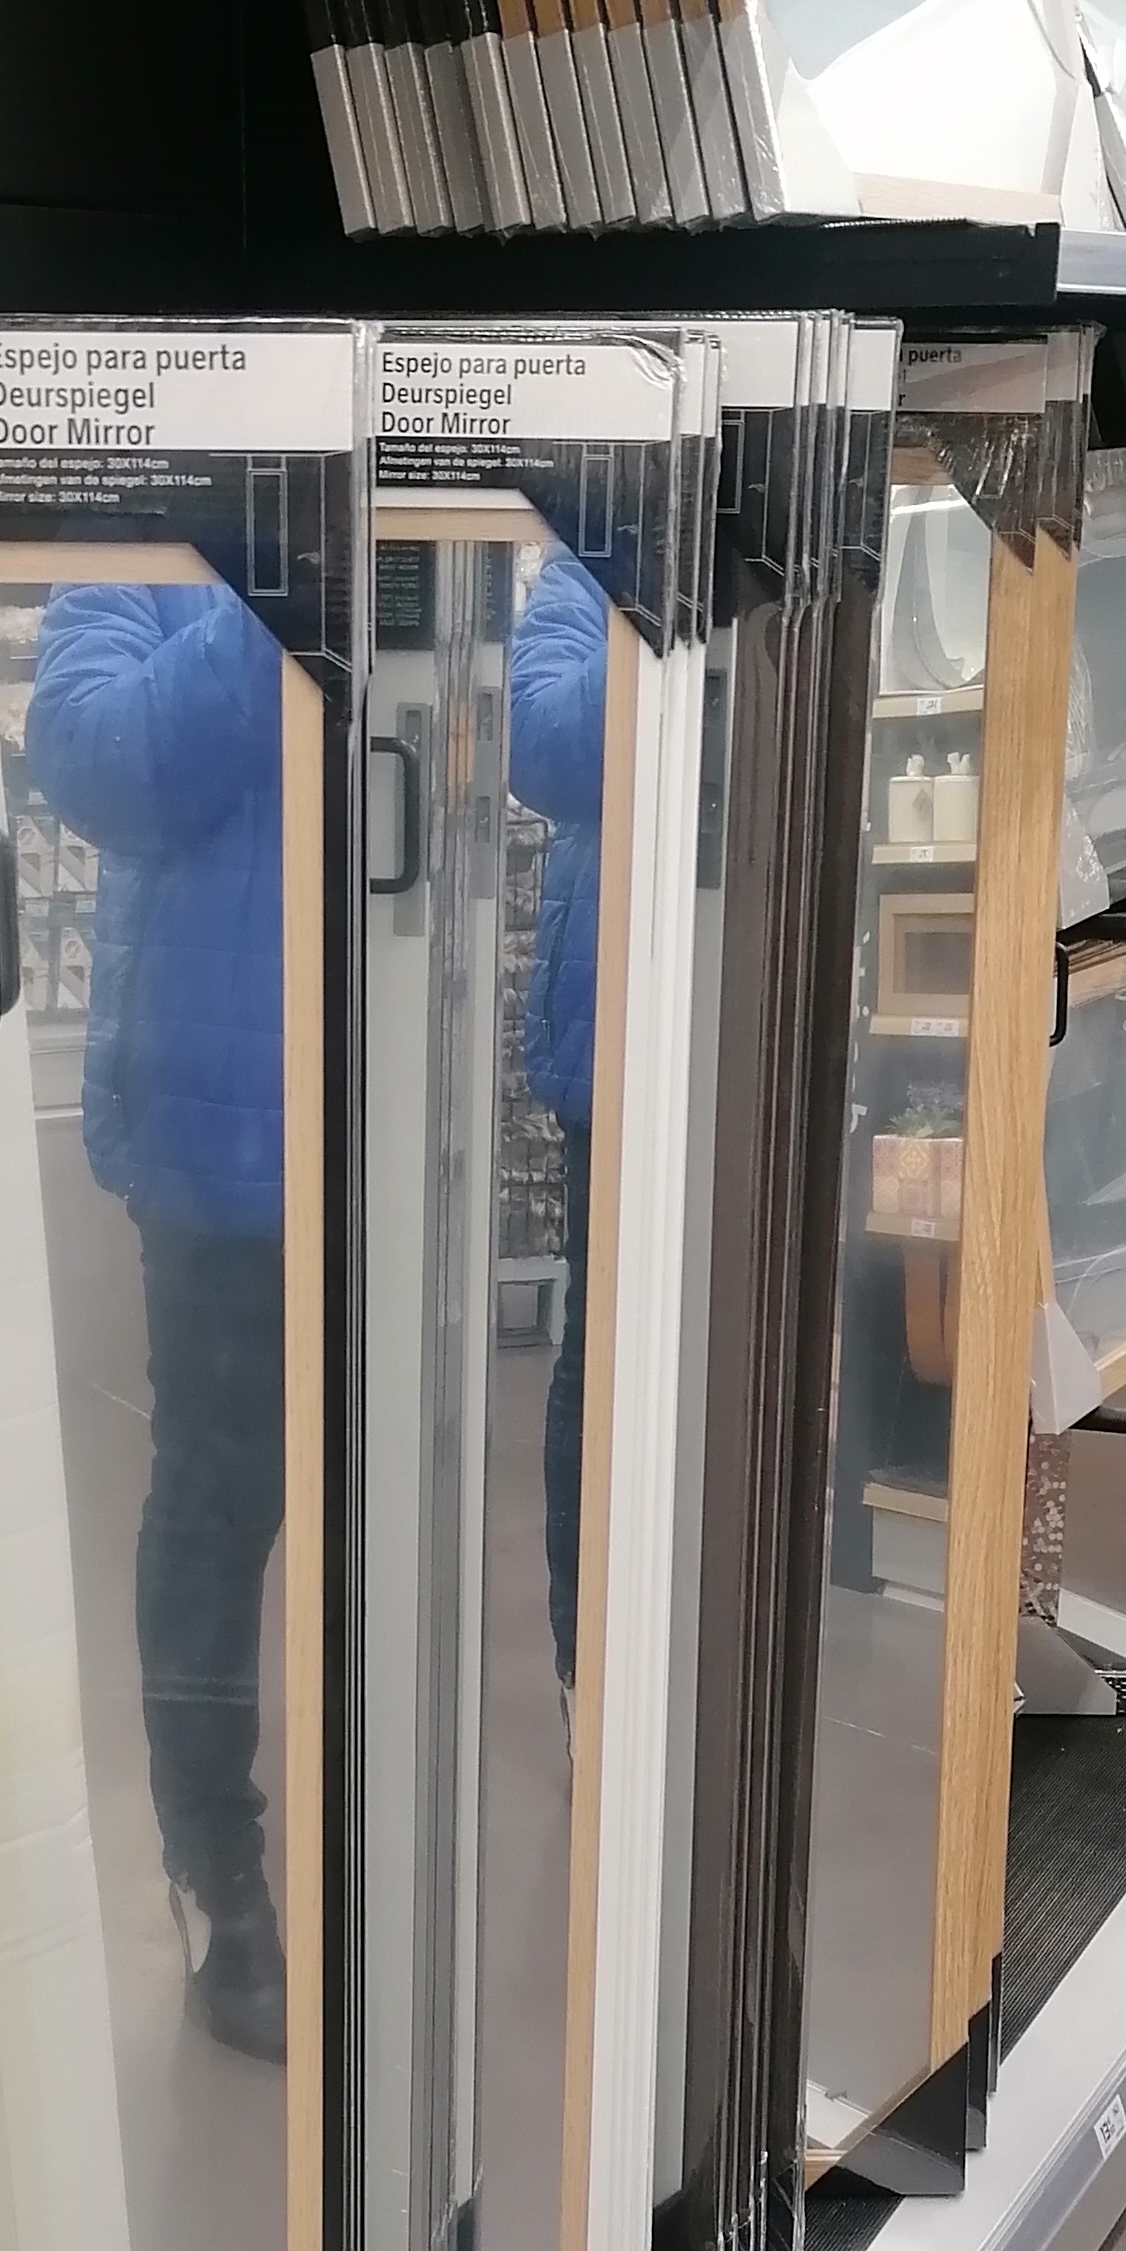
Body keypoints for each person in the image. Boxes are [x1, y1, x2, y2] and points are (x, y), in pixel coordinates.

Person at [25, 576, 289, 2061]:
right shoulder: (151, 523)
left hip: (398, 1113)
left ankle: (384, 1828)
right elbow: (93, 757)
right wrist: (285, 586)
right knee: (214, 1508)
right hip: (221, 1129)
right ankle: (214, 1867)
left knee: (399, 1514)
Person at [507, 547, 612, 1721]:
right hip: (615, 1026)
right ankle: (588, 1662)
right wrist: (669, 607)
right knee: (604, 1343)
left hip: (762, 995)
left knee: (747, 1338)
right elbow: (540, 741)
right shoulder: (596, 560)